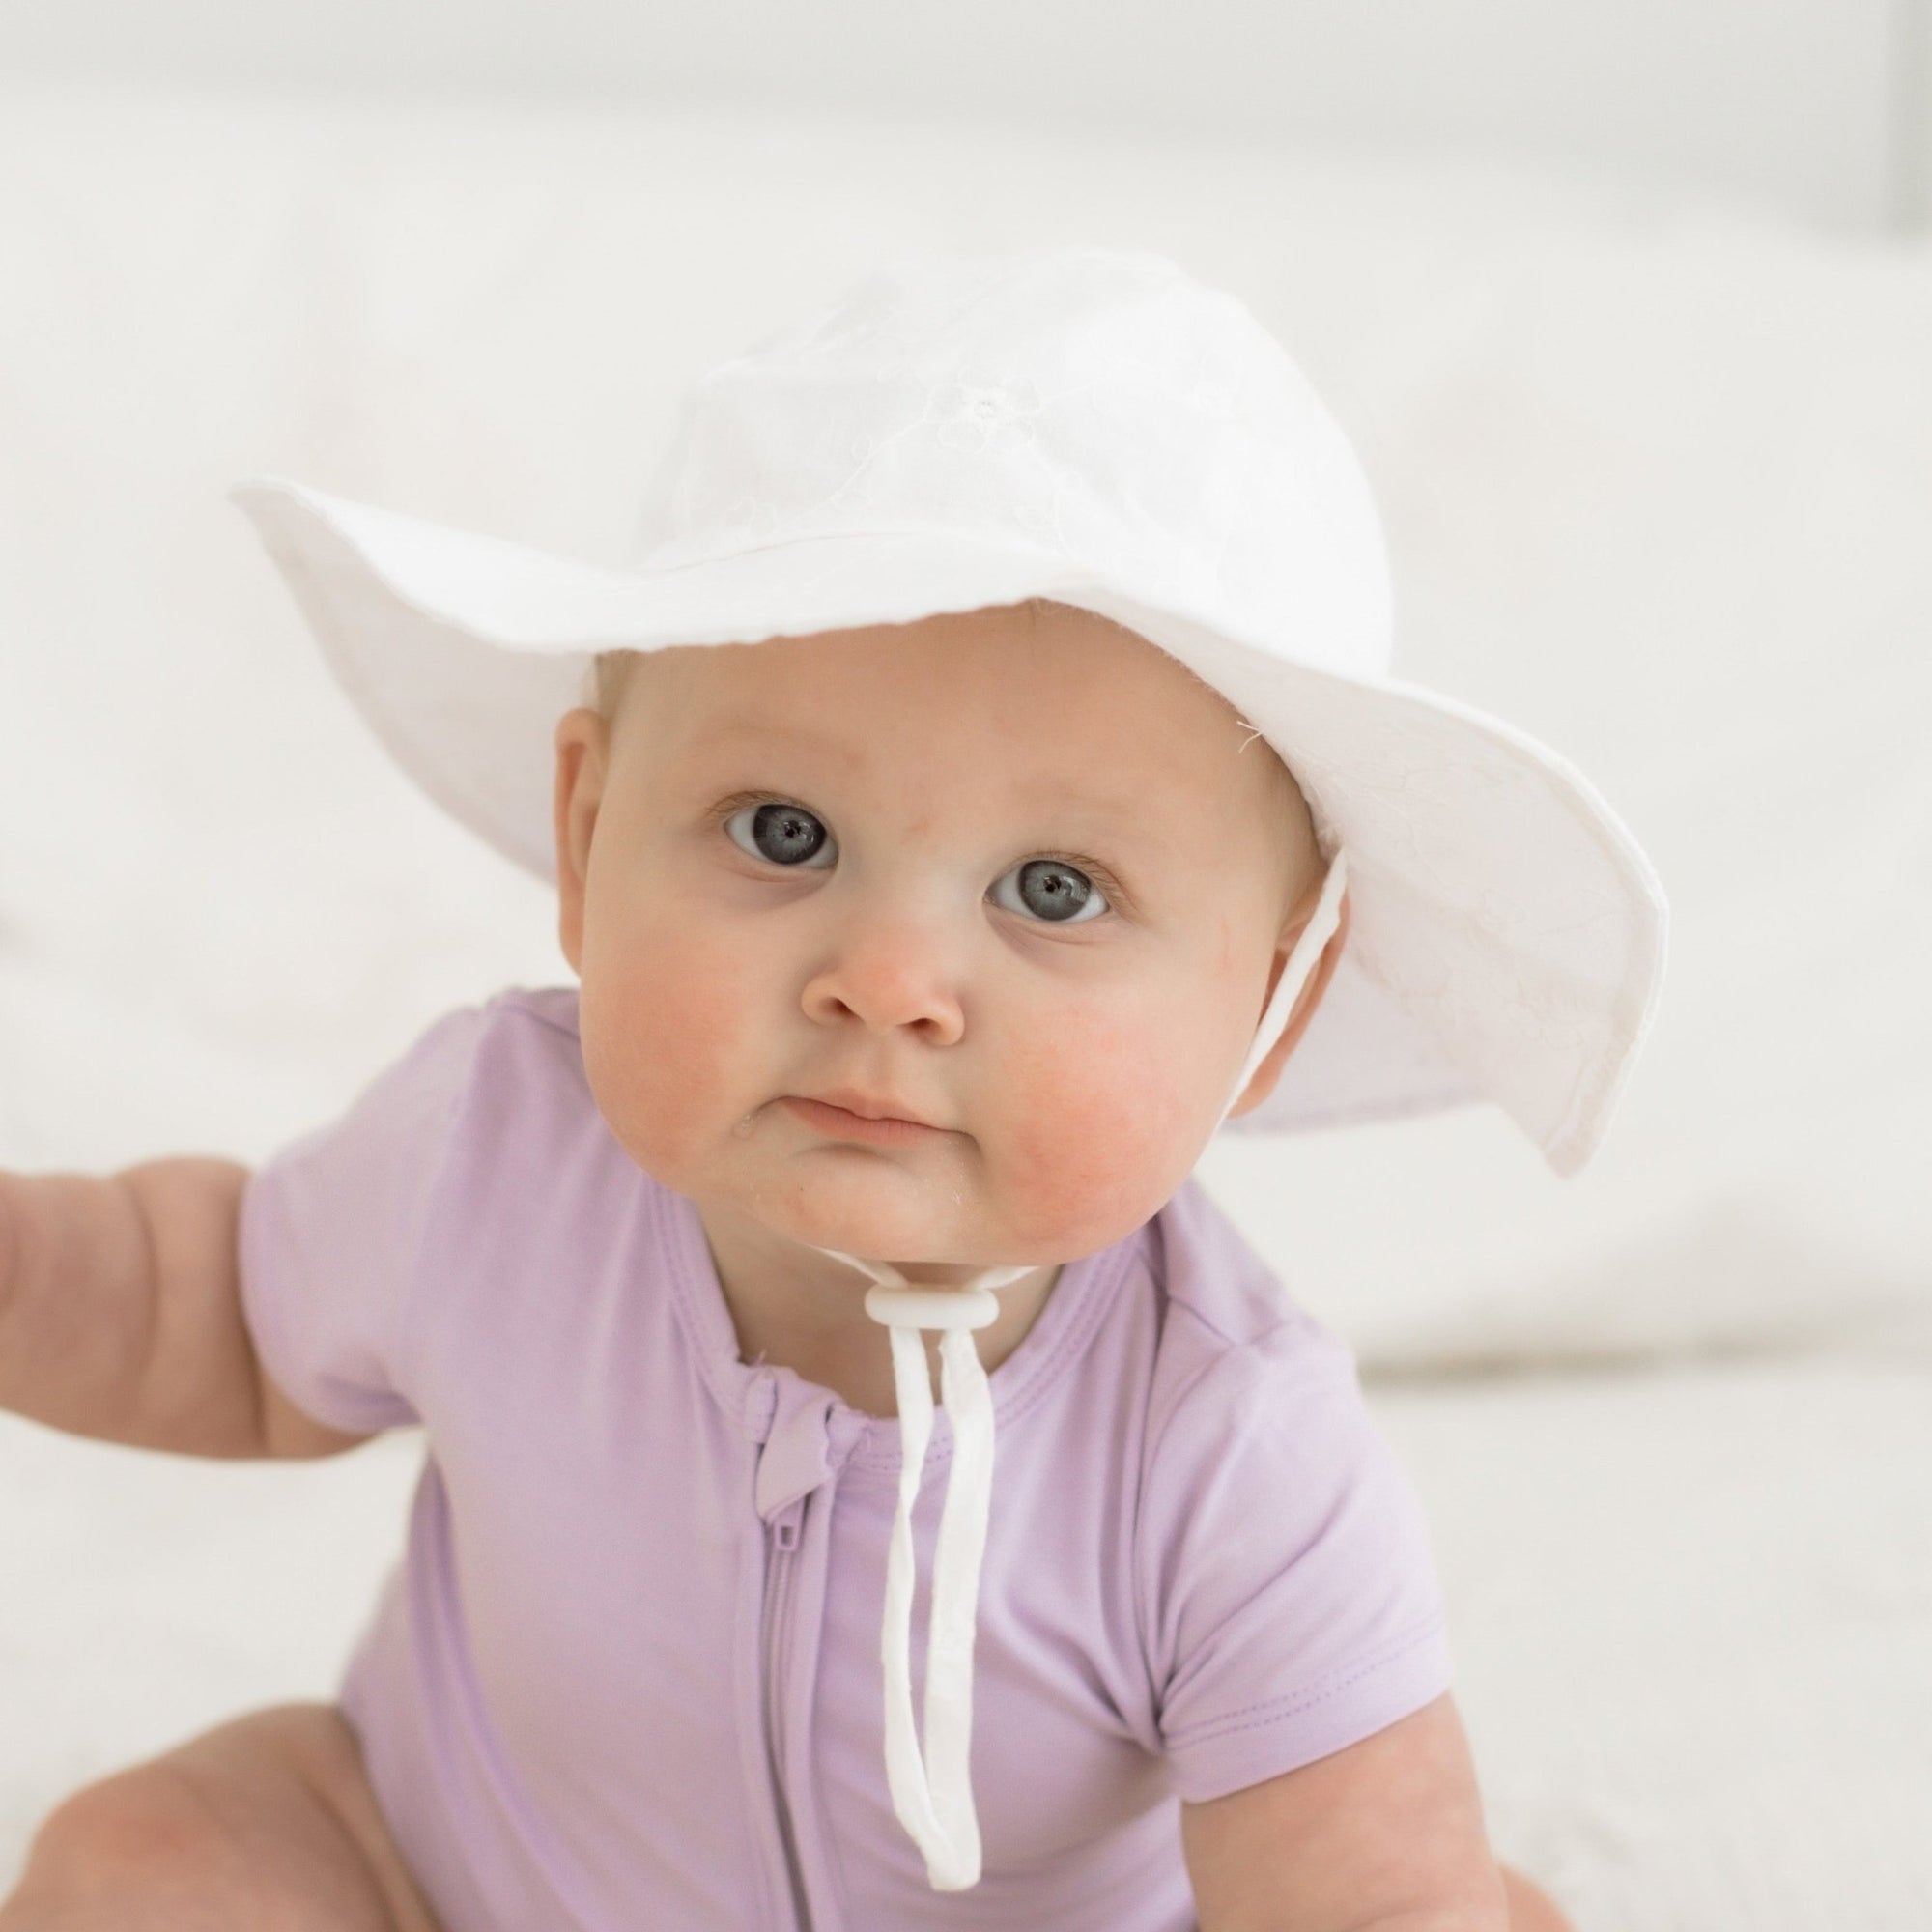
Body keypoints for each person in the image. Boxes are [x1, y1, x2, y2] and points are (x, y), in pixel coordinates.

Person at [0, 246, 1663, 1930]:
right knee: (154, 1862)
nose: (887, 978)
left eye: (1056, 890)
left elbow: (1354, 1889)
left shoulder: (1229, 1446)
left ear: (1273, 1004)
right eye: (784, 833)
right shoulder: (494, 1154)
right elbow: (193, 1310)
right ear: (587, 843)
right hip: (460, 1881)